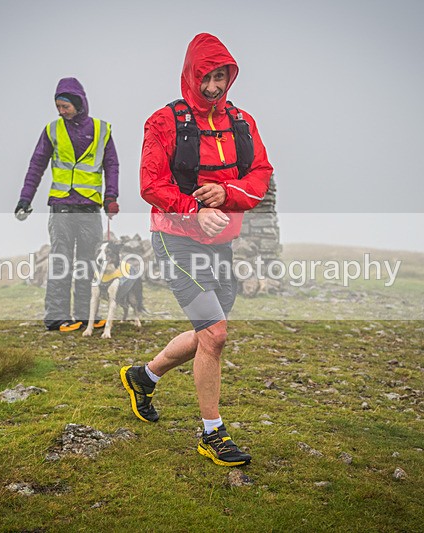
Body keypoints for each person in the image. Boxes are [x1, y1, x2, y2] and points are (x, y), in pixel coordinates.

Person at [120, 33, 274, 467]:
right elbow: (151, 184)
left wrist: (226, 193)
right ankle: (213, 434)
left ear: (230, 76)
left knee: (209, 333)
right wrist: (192, 210)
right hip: (176, 240)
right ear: (191, 74)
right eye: (205, 77)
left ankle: (143, 377)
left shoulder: (243, 121)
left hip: (221, 244)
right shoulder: (164, 122)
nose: (212, 87)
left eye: (220, 77)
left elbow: (260, 175)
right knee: (216, 334)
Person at [16, 78, 120, 332]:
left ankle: (86, 316)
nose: (61, 112)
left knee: (87, 263)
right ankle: (56, 318)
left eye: (65, 106)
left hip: (90, 208)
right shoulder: (52, 130)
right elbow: (36, 165)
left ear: (79, 103)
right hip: (61, 208)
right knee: (61, 261)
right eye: (58, 107)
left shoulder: (102, 130)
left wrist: (111, 197)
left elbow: (112, 166)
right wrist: (25, 198)